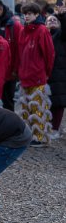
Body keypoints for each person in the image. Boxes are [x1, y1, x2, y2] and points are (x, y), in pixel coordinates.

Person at [18, 3, 55, 147]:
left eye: (30, 13)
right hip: (25, 75)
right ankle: (29, 135)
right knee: (26, 109)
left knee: (37, 107)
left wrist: (46, 73)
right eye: (25, 13)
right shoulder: (23, 30)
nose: (26, 16)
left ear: (36, 14)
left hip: (38, 75)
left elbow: (49, 54)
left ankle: (39, 137)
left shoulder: (42, 30)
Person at [0, 0, 23, 111]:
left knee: (7, 101)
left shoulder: (14, 26)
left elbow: (19, 49)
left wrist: (15, 69)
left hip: (9, 71)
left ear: (0, 9)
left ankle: (9, 126)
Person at [45, 9, 66, 140]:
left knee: (58, 103)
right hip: (46, 73)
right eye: (49, 20)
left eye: (55, 20)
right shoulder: (43, 35)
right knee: (47, 102)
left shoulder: (61, 35)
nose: (52, 21)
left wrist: (62, 16)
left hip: (60, 74)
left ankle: (55, 129)